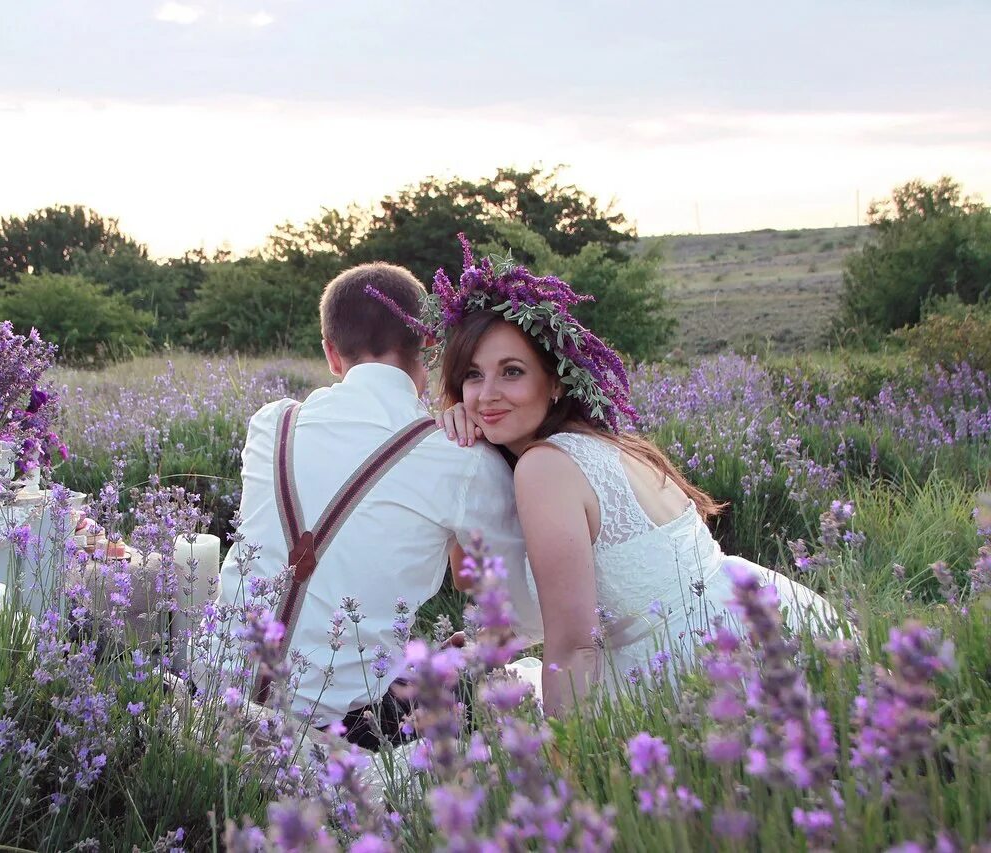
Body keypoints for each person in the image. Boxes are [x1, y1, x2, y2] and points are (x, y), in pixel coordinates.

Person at [373, 237, 840, 718]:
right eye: (473, 375)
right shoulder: (596, 442)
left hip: (707, 668)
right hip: (761, 623)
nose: (487, 395)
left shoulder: (546, 466)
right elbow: (473, 580)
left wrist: (561, 768)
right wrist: (463, 463)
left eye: (511, 372)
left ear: (554, 382)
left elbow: (576, 647)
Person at [197, 262, 543, 751]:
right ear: (428, 344)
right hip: (353, 731)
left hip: (211, 695)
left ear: (331, 354)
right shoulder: (460, 458)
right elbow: (526, 613)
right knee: (506, 686)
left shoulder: (270, 425)